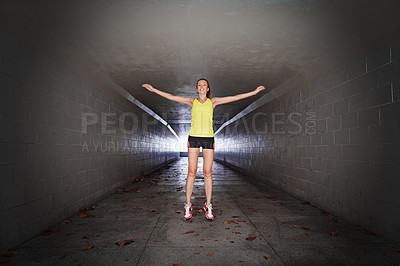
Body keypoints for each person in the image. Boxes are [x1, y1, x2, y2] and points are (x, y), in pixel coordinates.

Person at [142, 79, 265, 221]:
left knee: (207, 172)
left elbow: (234, 97)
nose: (201, 87)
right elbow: (171, 97)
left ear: (207, 89)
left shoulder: (212, 102)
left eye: (204, 85)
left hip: (208, 139)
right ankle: (188, 205)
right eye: (199, 85)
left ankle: (208, 205)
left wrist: (254, 92)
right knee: (191, 172)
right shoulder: (191, 102)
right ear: (196, 89)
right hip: (193, 138)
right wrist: (154, 90)